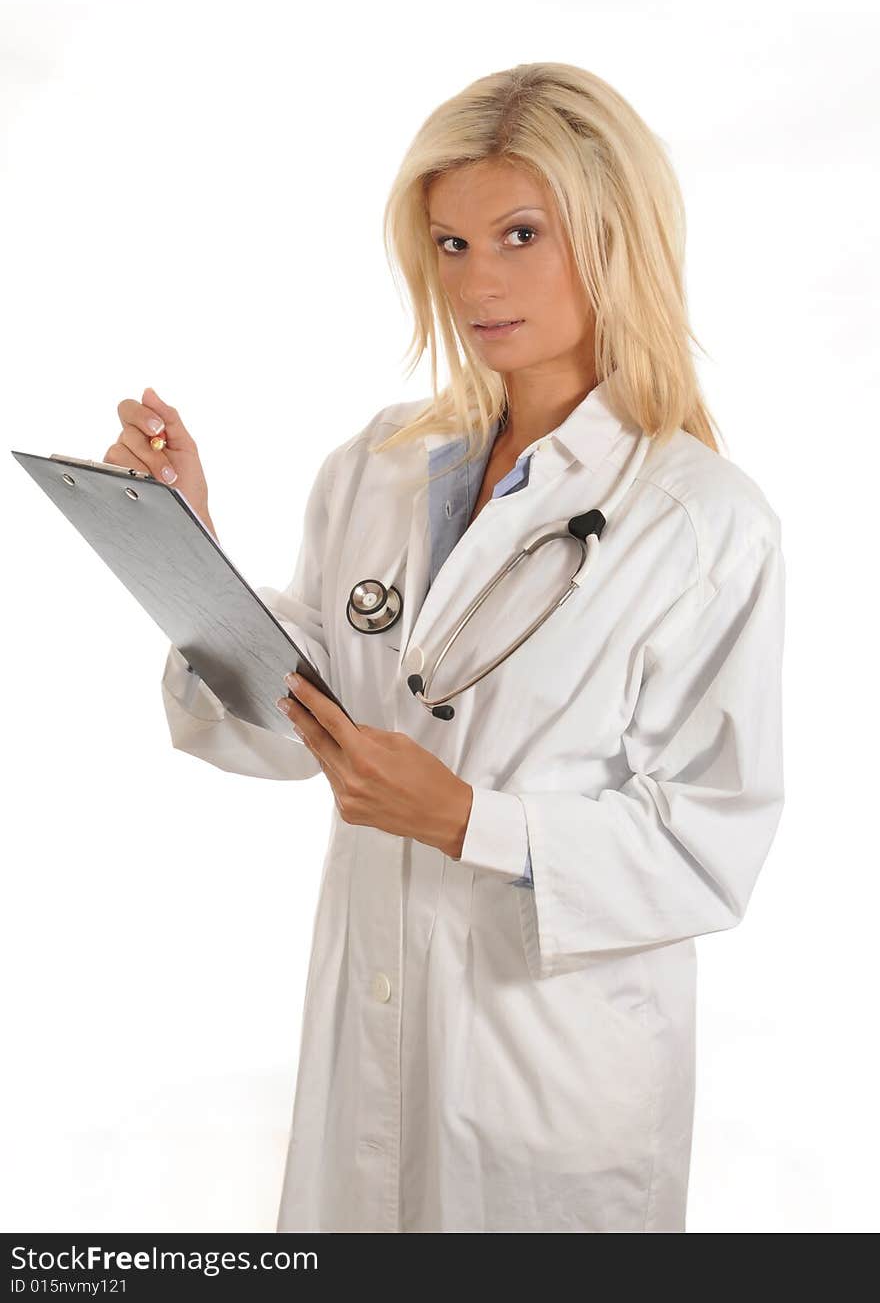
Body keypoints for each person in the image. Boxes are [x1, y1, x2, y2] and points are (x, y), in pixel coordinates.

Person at [105, 61, 786, 1233]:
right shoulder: (378, 463)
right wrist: (187, 550)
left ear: (614, 236)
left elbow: (710, 842)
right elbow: (297, 712)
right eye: (452, 244)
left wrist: (469, 819)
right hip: (369, 1032)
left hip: (549, 1086)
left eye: (521, 233)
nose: (480, 281)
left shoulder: (701, 521)